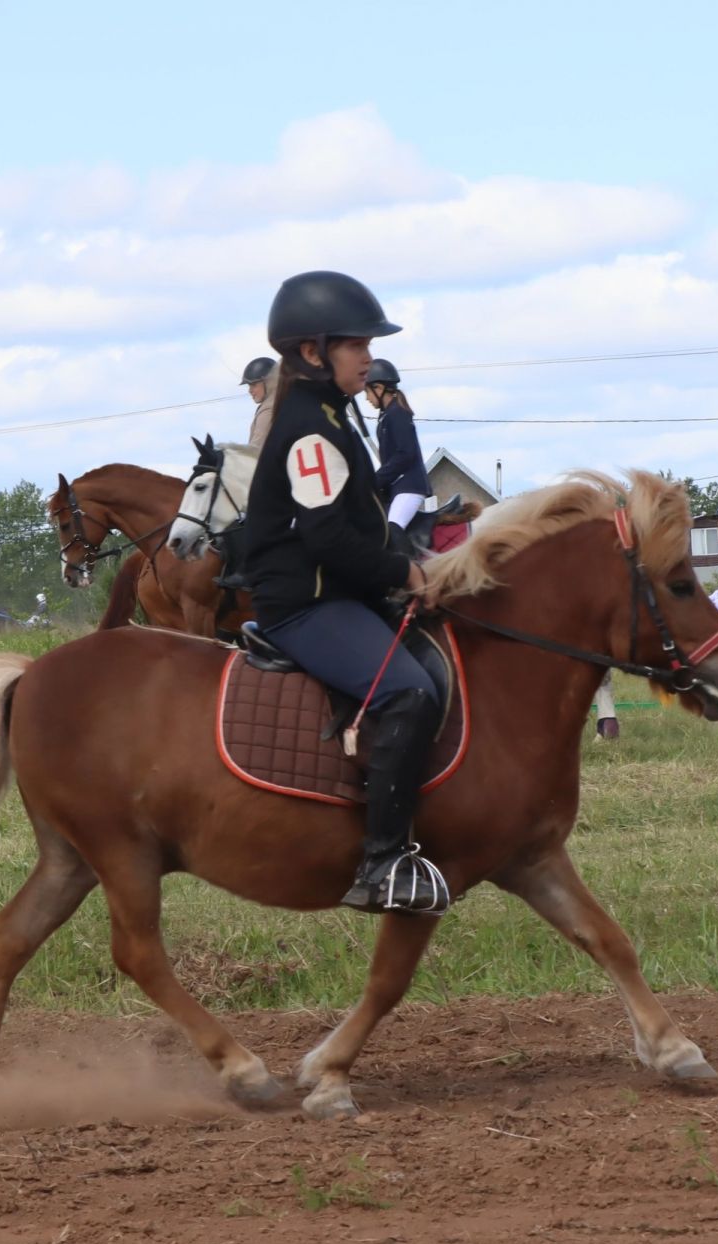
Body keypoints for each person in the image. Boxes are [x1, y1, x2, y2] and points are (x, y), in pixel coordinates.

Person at [240, 270, 446, 916]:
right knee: (408, 691)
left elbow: (360, 519)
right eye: (355, 345)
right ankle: (382, 862)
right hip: (305, 603)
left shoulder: (336, 414)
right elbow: (328, 540)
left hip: (339, 588)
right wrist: (401, 574)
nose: (367, 356)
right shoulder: (309, 428)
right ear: (312, 352)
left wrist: (407, 558)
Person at [364, 358, 431, 530]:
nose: (366, 398)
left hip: (409, 486)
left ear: (379, 388)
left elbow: (405, 454)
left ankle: (407, 558)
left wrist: (376, 479)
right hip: (397, 486)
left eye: (368, 392)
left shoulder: (398, 413)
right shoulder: (386, 416)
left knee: (393, 528)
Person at [242, 356, 277, 449]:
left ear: (269, 382)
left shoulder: (268, 408)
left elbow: (255, 450)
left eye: (254, 385)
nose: (250, 390)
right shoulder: (287, 400)